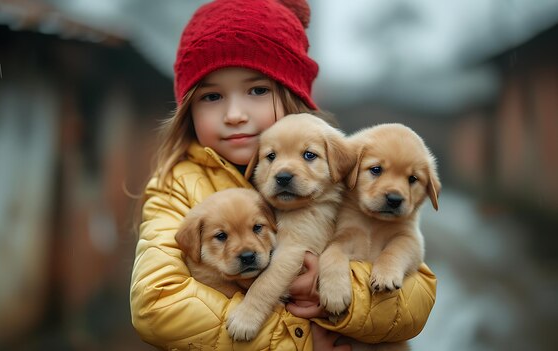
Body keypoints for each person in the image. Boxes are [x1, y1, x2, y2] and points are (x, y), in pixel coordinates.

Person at [130, 0, 437, 350]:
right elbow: (155, 305)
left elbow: (419, 297)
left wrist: (341, 295)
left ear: (293, 97)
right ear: (188, 110)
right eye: (211, 96)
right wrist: (296, 340)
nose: (234, 114)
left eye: (257, 90)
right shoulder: (177, 186)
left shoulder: (335, 180)